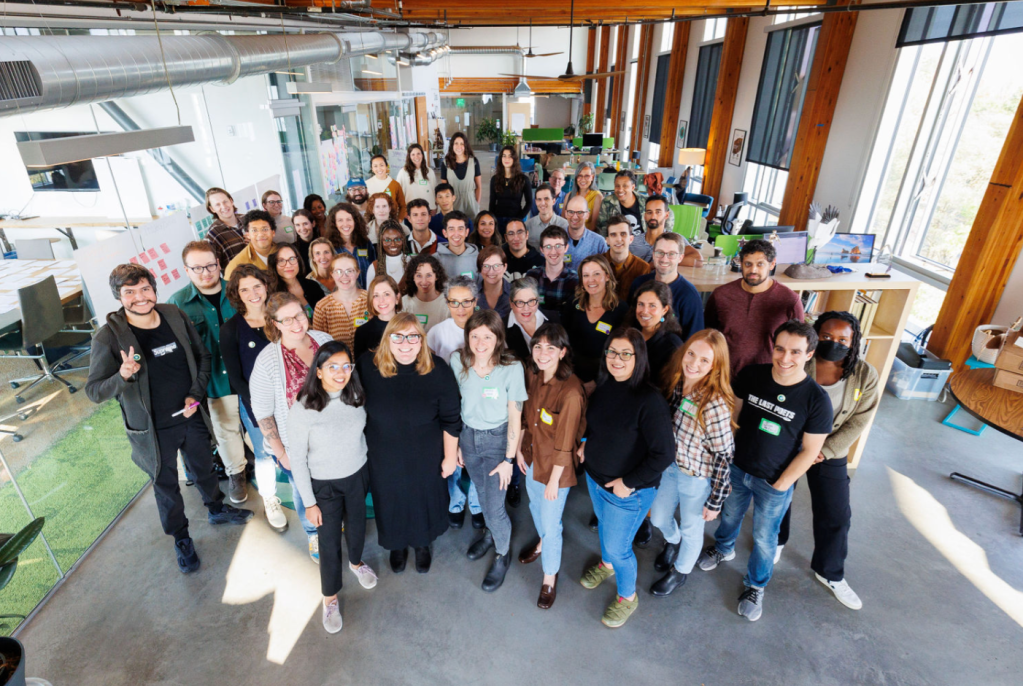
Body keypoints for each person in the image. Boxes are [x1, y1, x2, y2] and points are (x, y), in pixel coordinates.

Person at [86, 264, 253, 574]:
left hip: (190, 415)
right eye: (130, 292)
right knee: (166, 487)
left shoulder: (173, 315)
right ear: (119, 297)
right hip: (152, 429)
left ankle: (215, 508)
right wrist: (122, 376)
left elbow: (203, 357)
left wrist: (195, 394)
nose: (140, 297)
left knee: (204, 468)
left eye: (145, 288)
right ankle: (181, 537)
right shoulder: (108, 337)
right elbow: (94, 391)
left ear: (155, 288)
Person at [697, 320, 832, 622]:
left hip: (774, 481)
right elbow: (734, 414)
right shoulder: (752, 375)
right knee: (729, 515)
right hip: (737, 467)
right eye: (780, 349)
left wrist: (783, 484)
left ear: (809, 354)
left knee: (763, 536)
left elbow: (811, 451)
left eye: (796, 352)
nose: (785, 358)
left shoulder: (817, 399)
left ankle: (755, 585)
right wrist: (724, 457)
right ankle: (723, 548)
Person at [774, 312, 878, 611]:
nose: (834, 343)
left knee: (836, 513)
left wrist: (825, 451)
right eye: (827, 337)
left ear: (853, 341)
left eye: (842, 339)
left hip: (828, 451)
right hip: (790, 444)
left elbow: (860, 420)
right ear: (815, 336)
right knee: (780, 495)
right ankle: (777, 543)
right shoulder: (801, 361)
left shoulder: (864, 374)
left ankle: (829, 572)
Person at [578, 327, 675, 628]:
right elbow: (595, 425)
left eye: (625, 354)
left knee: (620, 548)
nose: (616, 359)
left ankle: (627, 597)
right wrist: (584, 444)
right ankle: (606, 564)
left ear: (639, 357)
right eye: (612, 352)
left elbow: (664, 455)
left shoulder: (650, 401)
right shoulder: (605, 386)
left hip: (628, 491)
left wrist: (628, 482)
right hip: (595, 479)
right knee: (607, 530)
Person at [357, 313, 462, 574]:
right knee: (390, 499)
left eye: (413, 336)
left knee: (423, 499)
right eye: (398, 336)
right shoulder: (366, 366)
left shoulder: (438, 369)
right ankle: (397, 546)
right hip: (383, 453)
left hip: (426, 453)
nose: (406, 344)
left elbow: (451, 419)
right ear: (387, 338)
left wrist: (450, 458)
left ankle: (422, 544)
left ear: (422, 340)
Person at [288, 340, 377, 634]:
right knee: (328, 543)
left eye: (345, 366)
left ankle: (355, 563)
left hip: (356, 476)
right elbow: (297, 459)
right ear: (319, 370)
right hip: (323, 485)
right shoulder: (304, 407)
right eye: (332, 367)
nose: (340, 373)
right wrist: (309, 502)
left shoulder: (356, 395)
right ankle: (330, 598)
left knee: (356, 528)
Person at [648, 329, 736, 598]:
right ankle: (672, 543)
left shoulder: (714, 405)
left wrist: (716, 500)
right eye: (691, 354)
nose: (694, 364)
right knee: (660, 517)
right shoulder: (675, 383)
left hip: (696, 477)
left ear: (715, 367)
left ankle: (680, 572)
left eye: (704, 361)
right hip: (668, 468)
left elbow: (724, 456)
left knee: (691, 527)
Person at [250, 293, 333, 562]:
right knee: (304, 490)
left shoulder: (324, 341)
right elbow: (263, 413)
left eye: (299, 315)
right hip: (295, 444)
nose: (296, 323)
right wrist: (281, 452)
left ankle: (331, 521)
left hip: (332, 437)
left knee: (331, 483)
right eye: (286, 319)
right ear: (274, 323)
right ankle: (313, 532)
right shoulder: (268, 360)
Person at [449, 310, 528, 592]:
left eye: (487, 336)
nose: (480, 342)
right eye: (474, 336)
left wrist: (508, 459)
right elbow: (455, 404)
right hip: (469, 438)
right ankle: (490, 535)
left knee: (494, 507)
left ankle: (502, 553)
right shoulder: (457, 361)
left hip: (498, 440)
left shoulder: (512, 367)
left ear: (498, 339)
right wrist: (457, 442)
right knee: (481, 494)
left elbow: (515, 415)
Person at [166, 241, 247, 504]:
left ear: (219, 263)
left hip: (248, 375)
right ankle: (237, 474)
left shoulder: (238, 291)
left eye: (210, 265)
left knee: (259, 425)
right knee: (226, 431)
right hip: (214, 381)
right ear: (186, 270)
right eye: (197, 268)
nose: (206, 272)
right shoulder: (177, 304)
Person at [516, 322, 586, 609]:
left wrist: (555, 481)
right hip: (531, 457)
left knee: (551, 522)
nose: (542, 353)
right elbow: (525, 417)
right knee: (535, 507)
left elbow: (565, 443)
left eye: (551, 348)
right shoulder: (532, 375)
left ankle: (549, 577)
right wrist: (519, 450)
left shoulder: (570, 391)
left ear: (563, 352)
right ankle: (543, 542)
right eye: (538, 346)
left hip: (555, 470)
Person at [220, 265, 292, 535]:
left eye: (257, 286)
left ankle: (309, 494)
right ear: (237, 294)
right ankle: (270, 499)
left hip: (290, 400)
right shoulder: (231, 330)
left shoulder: (282, 319)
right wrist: (260, 411)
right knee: (264, 453)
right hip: (256, 403)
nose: (253, 293)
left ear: (266, 286)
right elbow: (237, 379)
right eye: (245, 289)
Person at [426, 276, 485, 528]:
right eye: (454, 302)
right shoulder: (436, 333)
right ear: (447, 302)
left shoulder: (486, 328)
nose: (461, 308)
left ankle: (477, 502)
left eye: (466, 302)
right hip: (448, 405)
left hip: (480, 404)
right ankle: (456, 501)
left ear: (476, 301)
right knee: (452, 455)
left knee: (477, 455)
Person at [704, 238, 805, 376]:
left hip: (767, 377)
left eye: (760, 264)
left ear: (772, 264)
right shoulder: (721, 295)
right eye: (748, 264)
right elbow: (708, 335)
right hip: (723, 374)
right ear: (740, 263)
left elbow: (799, 345)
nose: (753, 270)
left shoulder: (789, 301)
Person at [564, 254, 629, 392]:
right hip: (571, 376)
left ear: (607, 276)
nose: (591, 280)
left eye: (596, 274)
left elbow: (621, 352)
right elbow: (563, 341)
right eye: (586, 275)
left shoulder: (621, 310)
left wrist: (596, 383)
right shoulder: (573, 304)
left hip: (605, 379)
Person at [629, 233, 705, 340]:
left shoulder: (689, 296)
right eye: (660, 253)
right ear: (653, 255)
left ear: (680, 257)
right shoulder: (638, 284)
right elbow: (629, 322)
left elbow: (694, 340)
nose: (664, 259)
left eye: (671, 254)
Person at [630, 280, 684, 384]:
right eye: (641, 304)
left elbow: (669, 387)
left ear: (665, 309)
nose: (645, 311)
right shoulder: (629, 330)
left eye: (652, 306)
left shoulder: (672, 346)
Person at [312, 253, 370, 351]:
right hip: (338, 365)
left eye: (349, 271)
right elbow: (318, 345)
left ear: (357, 273)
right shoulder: (322, 307)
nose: (344, 276)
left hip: (371, 363)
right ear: (332, 274)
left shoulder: (371, 299)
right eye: (339, 271)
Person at [630, 195, 703, 266]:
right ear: (645, 216)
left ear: (667, 215)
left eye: (658, 212)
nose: (653, 216)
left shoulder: (675, 239)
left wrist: (658, 263)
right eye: (649, 212)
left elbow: (698, 259)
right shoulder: (632, 242)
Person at [526, 225, 578, 316]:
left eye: (558, 246)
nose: (553, 252)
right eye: (548, 246)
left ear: (566, 248)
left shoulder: (575, 280)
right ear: (542, 250)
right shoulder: (531, 276)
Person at [324, 202, 376, 289]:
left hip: (368, 295)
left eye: (349, 219)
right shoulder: (330, 247)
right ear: (334, 223)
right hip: (344, 298)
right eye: (340, 220)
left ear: (355, 221)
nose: (345, 224)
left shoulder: (365, 243)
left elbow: (374, 267)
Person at [268, 243, 327, 317]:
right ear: (274, 264)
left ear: (298, 261)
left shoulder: (312, 285)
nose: (288, 265)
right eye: (281, 260)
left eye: (292, 259)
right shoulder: (272, 295)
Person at [354, 274, 401, 359]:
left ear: (397, 297)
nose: (381, 300)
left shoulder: (409, 328)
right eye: (376, 295)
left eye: (386, 294)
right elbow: (360, 367)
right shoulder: (362, 331)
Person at [605, 215, 651, 301]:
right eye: (613, 235)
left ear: (631, 239)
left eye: (623, 234)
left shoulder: (643, 268)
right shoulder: (597, 264)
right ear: (607, 240)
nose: (618, 239)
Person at [401, 253, 450, 332]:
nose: (424, 281)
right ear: (412, 277)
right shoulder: (404, 302)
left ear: (437, 276)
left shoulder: (448, 303)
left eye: (429, 275)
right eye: (419, 276)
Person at [490, 145, 533, 234]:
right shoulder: (495, 179)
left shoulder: (523, 179)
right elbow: (492, 202)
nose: (507, 159)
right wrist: (492, 221)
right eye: (504, 156)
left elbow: (529, 202)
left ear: (514, 159)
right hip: (499, 219)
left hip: (515, 219)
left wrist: (519, 218)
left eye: (510, 156)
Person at [505, 277, 548, 364]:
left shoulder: (554, 319)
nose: (526, 308)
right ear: (511, 303)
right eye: (520, 302)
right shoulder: (501, 328)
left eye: (531, 301)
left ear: (538, 300)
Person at [225, 209, 277, 279]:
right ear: (248, 235)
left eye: (265, 229)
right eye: (254, 230)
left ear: (273, 232)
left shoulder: (284, 253)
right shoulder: (236, 265)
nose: (260, 234)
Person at [441, 131, 482, 217]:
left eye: (461, 144)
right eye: (456, 143)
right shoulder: (446, 163)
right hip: (453, 204)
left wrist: (476, 204)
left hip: (470, 204)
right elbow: (444, 189)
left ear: (465, 146)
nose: (459, 147)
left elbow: (478, 187)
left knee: (472, 228)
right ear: (452, 145)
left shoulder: (473, 162)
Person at [205, 187, 246, 270]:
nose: (223, 206)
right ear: (212, 209)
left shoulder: (248, 219)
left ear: (231, 201)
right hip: (238, 281)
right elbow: (212, 268)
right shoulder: (212, 235)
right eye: (217, 204)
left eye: (225, 201)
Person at [563, 195, 609, 267]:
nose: (575, 217)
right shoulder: (555, 240)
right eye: (571, 212)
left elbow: (605, 270)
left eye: (580, 212)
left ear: (587, 215)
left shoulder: (599, 242)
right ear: (566, 213)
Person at [596, 170, 645, 238]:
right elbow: (602, 229)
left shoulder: (645, 202)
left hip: (642, 244)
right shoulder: (607, 203)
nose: (620, 190)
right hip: (618, 244)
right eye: (617, 186)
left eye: (625, 186)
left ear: (633, 187)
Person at [435, 211, 480, 281]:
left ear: (467, 232)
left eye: (460, 229)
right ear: (445, 233)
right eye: (451, 229)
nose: (456, 234)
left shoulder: (479, 259)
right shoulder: (434, 259)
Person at [366, 220, 411, 286]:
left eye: (397, 239)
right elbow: (369, 295)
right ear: (381, 241)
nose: (393, 244)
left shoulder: (411, 262)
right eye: (387, 240)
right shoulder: (374, 267)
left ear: (403, 239)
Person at [525, 184, 569, 250]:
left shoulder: (565, 225)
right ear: (536, 202)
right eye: (539, 199)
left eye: (546, 199)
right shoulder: (527, 226)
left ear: (554, 201)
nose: (542, 203)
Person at [397, 143, 438, 212]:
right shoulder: (403, 172)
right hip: (410, 212)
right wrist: (403, 211)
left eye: (418, 153)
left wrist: (434, 207)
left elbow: (434, 191)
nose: (416, 157)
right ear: (409, 156)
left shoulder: (430, 171)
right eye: (413, 154)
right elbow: (398, 193)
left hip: (428, 211)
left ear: (422, 155)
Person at [366, 154, 407, 221]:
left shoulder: (395, 184)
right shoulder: (367, 184)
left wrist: (399, 220)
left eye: (381, 165)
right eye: (375, 166)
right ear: (372, 169)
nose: (379, 168)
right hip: (374, 223)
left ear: (386, 166)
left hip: (392, 222)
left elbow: (403, 206)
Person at [566, 161, 603, 232]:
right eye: (579, 176)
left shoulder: (597, 197)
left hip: (587, 236)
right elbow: (564, 221)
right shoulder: (569, 195)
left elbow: (594, 226)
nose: (583, 179)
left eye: (587, 176)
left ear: (592, 177)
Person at [477, 245, 511, 319]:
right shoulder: (471, 294)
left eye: (496, 266)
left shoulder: (515, 293)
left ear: (505, 267)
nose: (491, 271)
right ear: (480, 268)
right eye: (486, 266)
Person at [292, 210, 320, 274]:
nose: (302, 228)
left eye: (305, 224)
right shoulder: (292, 249)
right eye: (297, 225)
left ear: (313, 223)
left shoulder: (324, 244)